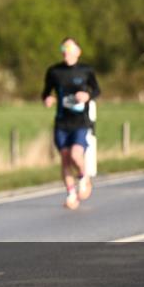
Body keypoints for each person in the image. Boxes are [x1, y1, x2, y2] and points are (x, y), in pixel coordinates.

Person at [42, 37, 101, 210]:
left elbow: (97, 89)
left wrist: (87, 96)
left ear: (78, 52)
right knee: (65, 159)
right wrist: (48, 99)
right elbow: (45, 92)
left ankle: (83, 177)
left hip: (80, 121)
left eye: (70, 49)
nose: (66, 53)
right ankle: (71, 194)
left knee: (76, 155)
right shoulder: (54, 71)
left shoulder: (86, 70)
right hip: (61, 122)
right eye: (64, 49)